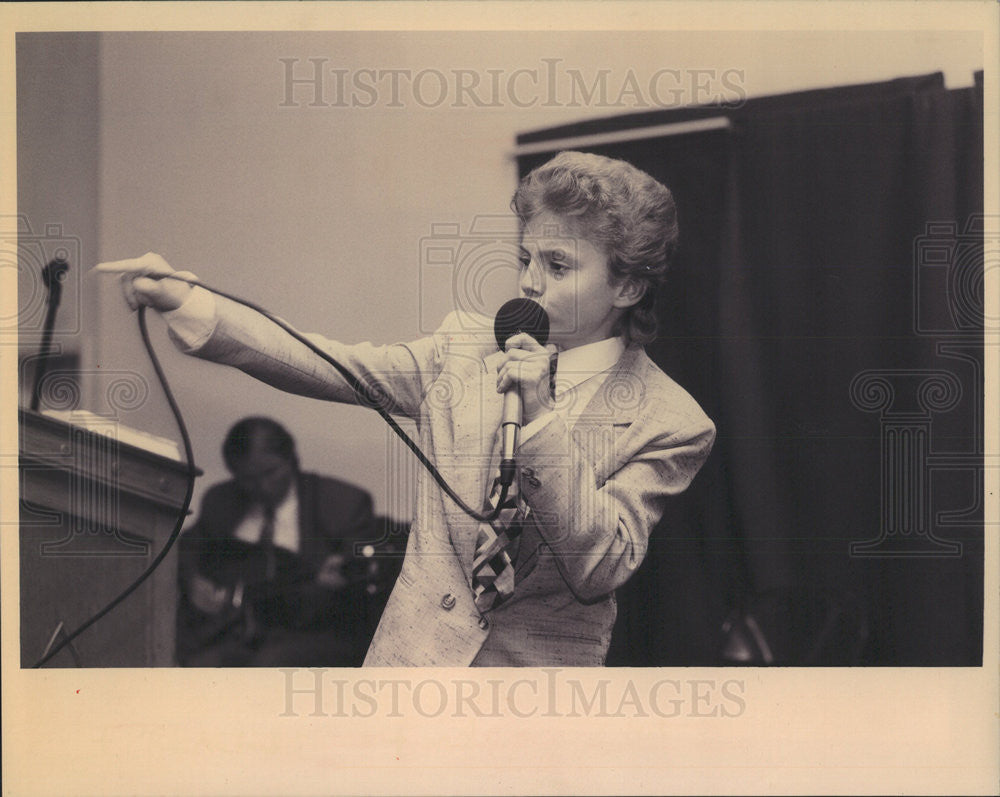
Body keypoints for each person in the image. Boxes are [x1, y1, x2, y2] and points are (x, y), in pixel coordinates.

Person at [99, 150, 716, 666]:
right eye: (526, 259)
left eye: (558, 266)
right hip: (408, 671)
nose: (531, 282)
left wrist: (541, 417)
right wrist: (190, 303)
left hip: (536, 698)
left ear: (629, 286)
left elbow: (600, 564)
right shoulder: (463, 349)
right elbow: (330, 362)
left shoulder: (671, 421)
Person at [175, 416, 376, 667]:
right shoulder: (222, 500)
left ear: (292, 460)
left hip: (312, 630)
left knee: (267, 666)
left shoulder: (342, 503)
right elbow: (187, 547)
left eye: (271, 472)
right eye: (248, 478)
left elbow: (363, 581)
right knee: (193, 663)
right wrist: (194, 580)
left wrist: (330, 581)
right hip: (237, 628)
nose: (263, 486)